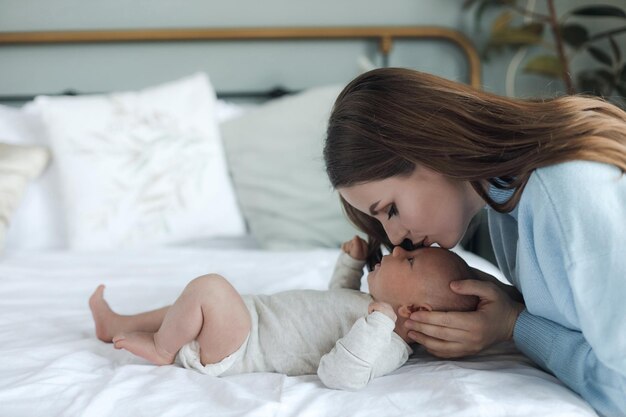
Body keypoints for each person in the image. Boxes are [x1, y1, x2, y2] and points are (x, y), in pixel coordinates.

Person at [323, 67, 626, 415]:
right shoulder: (506, 203)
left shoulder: (566, 192)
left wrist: (517, 326)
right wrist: (505, 307)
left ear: (431, 149)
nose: (394, 238)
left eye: (391, 209)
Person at [89, 236, 478, 390]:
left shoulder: (387, 343)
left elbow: (340, 375)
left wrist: (377, 326)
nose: (394, 251)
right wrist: (351, 266)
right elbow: (331, 305)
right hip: (251, 318)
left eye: (407, 260)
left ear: (412, 309)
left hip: (242, 348)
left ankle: (161, 348)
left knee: (208, 288)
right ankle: (120, 323)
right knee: (186, 305)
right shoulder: (370, 311)